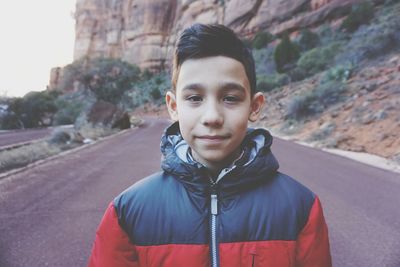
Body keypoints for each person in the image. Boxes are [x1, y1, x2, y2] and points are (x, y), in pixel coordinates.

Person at [88, 23, 332, 267]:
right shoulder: (127, 213)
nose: (212, 117)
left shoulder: (300, 207)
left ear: (254, 106)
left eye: (230, 98)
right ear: (173, 106)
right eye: (194, 98)